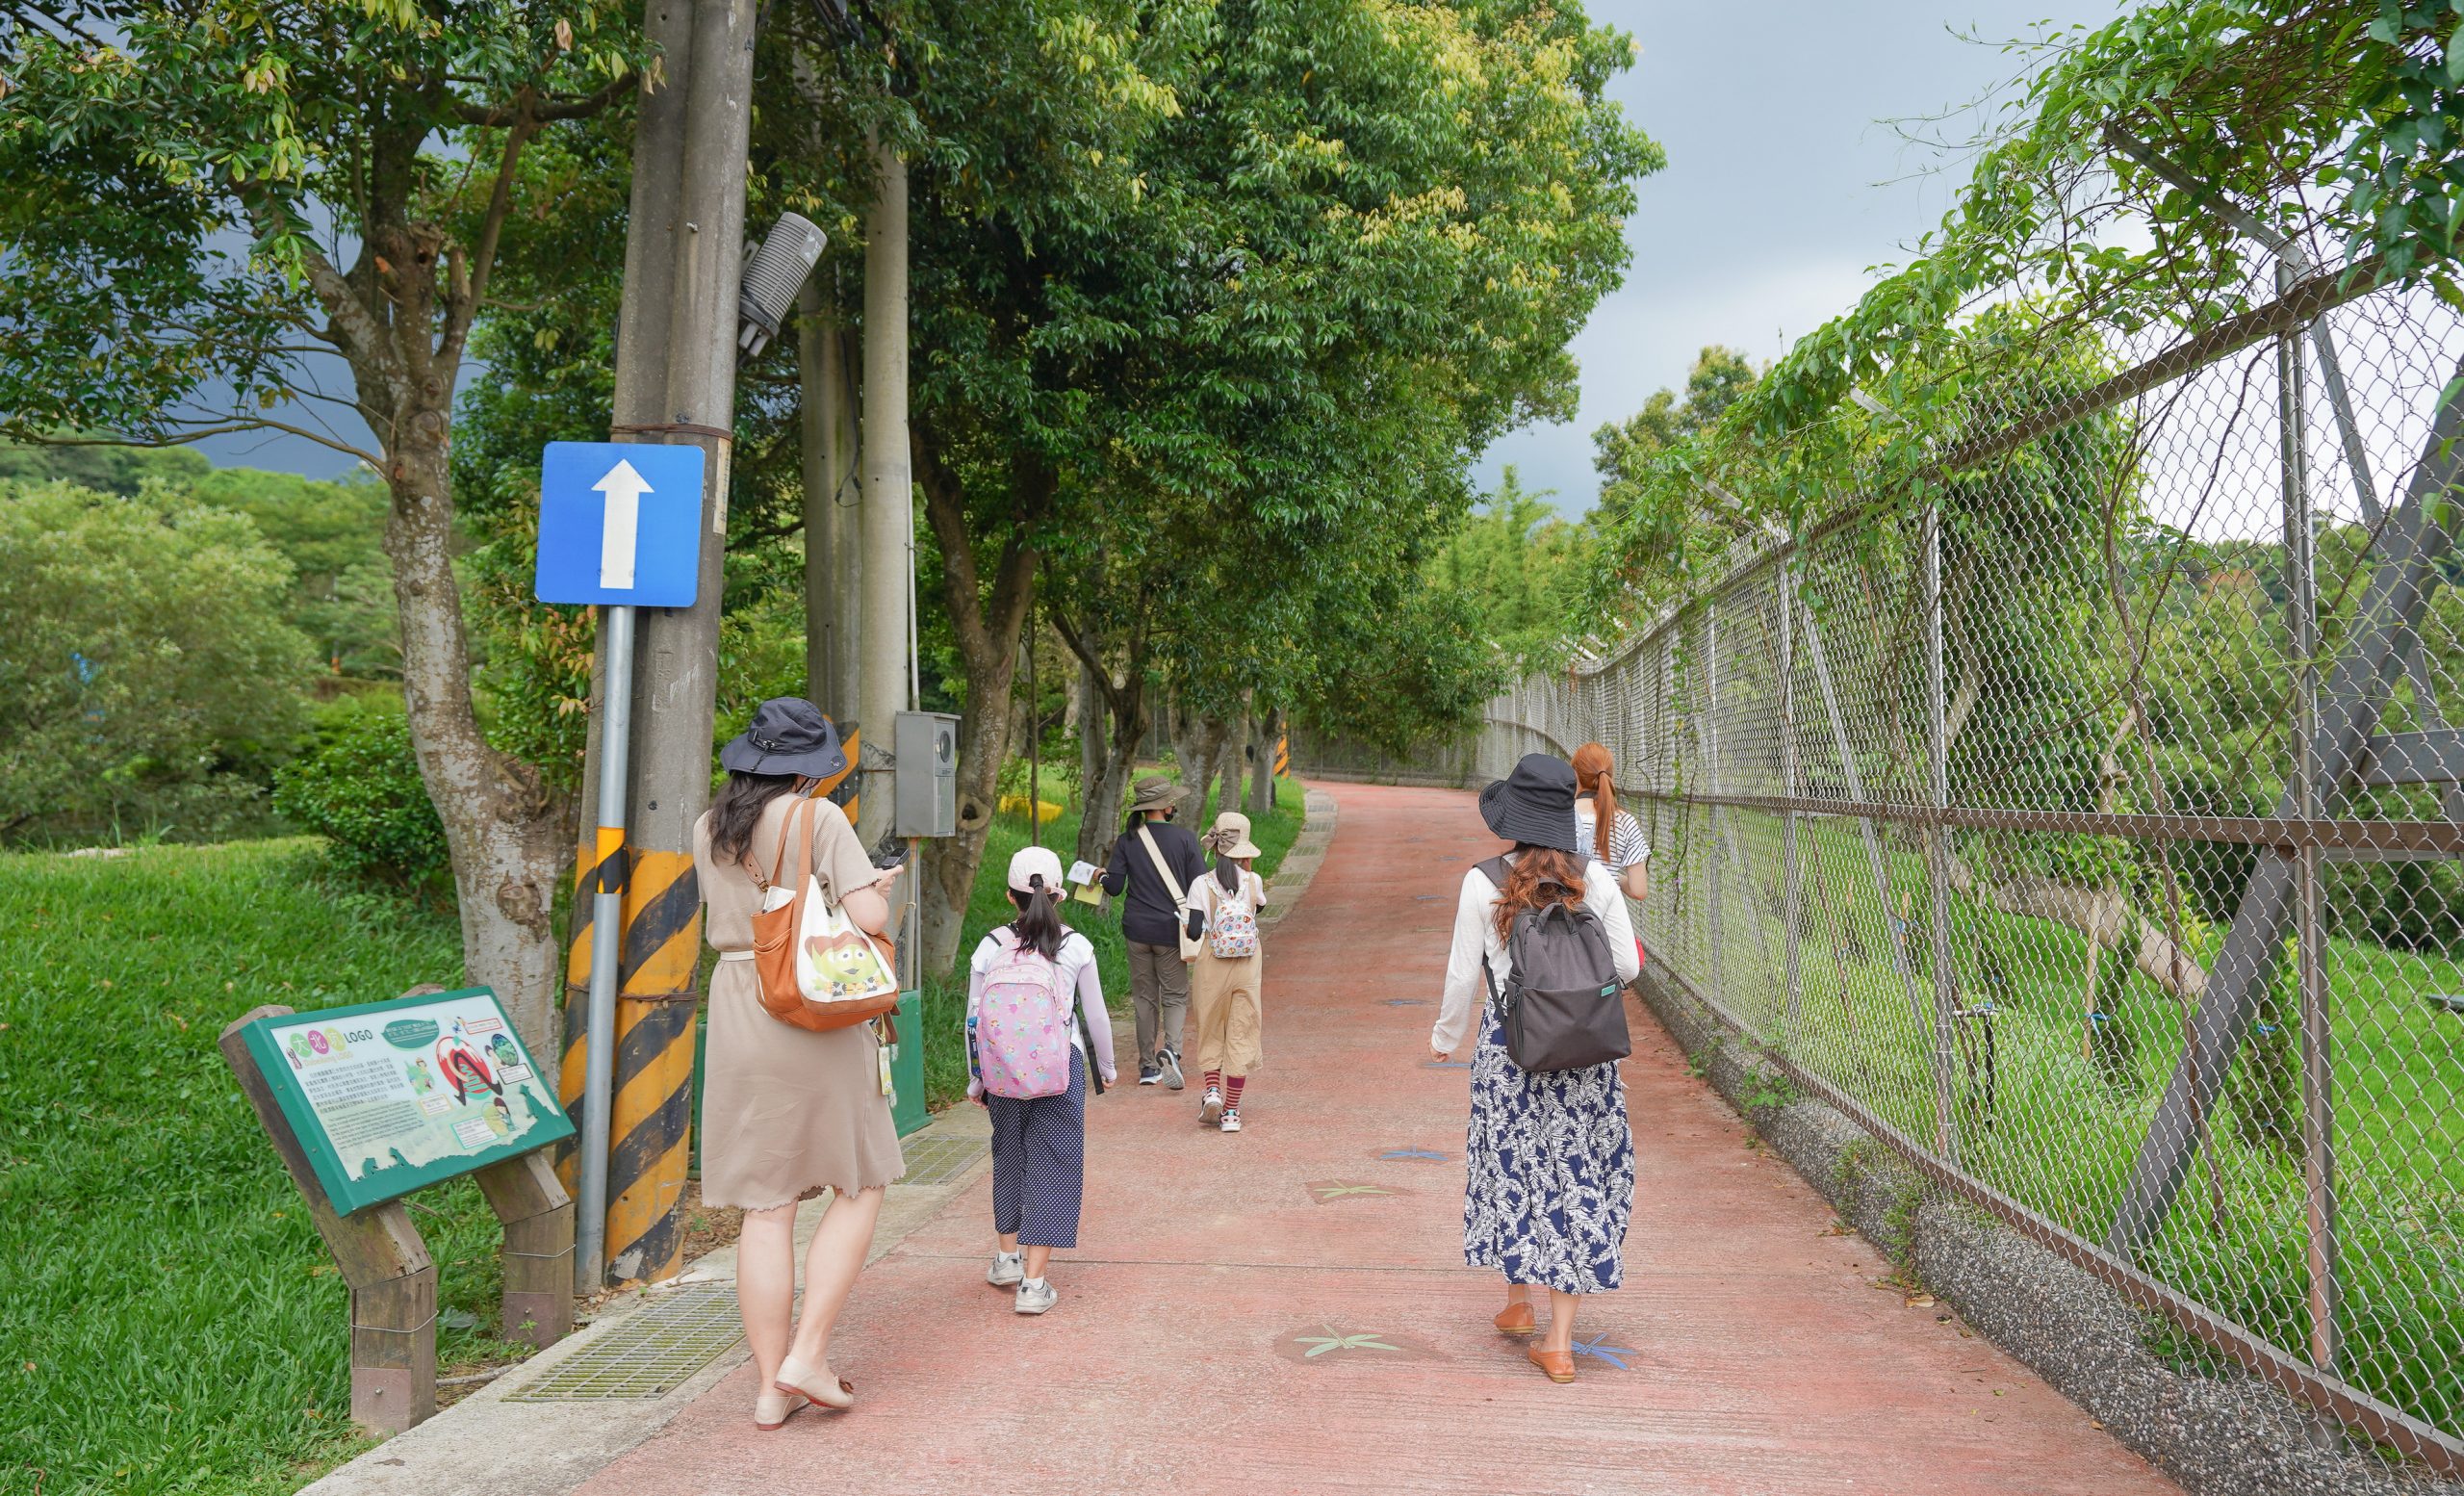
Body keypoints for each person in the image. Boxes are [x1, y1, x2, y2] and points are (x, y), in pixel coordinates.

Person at [692, 698, 903, 1431]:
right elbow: (868, 922)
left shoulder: (708, 828)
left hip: (739, 1004)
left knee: (767, 1203)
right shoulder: (820, 819)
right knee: (863, 1178)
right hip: (811, 1001)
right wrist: (877, 888)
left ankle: (769, 1390)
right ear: (807, 770)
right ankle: (807, 1353)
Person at [1431, 753, 1641, 1384]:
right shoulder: (1593, 878)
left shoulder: (1482, 880)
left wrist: (1445, 1037)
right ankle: (1555, 1336)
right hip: (1582, 1057)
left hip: (1509, 1051)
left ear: (1512, 817)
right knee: (1574, 1178)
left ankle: (1523, 1306)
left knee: (1512, 1167)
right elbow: (1628, 968)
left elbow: (1464, 974)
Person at [968, 845, 1117, 1314]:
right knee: (1053, 1164)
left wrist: (977, 1081)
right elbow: (1095, 1016)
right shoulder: (1075, 946)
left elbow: (973, 1019)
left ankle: (1006, 1258)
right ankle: (1034, 1286)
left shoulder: (991, 946)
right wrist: (1108, 1070)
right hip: (1060, 1068)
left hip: (1002, 1073)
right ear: (1060, 895)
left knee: (1009, 1153)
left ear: (1010, 897)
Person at [1100, 775, 1207, 1088]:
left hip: (1137, 929)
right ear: (1168, 806)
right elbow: (1200, 886)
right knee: (1174, 996)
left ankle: (1148, 1066)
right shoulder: (1185, 840)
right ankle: (1172, 1052)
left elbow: (1116, 887)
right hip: (1171, 931)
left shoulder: (1127, 840)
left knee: (1144, 998)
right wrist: (1197, 925)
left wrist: (1099, 876)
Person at [1182, 810, 1268, 1133]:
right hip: (1247, 964)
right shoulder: (1253, 880)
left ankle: (1212, 1091)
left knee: (1210, 1025)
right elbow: (1258, 907)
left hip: (1212, 962)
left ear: (1215, 846)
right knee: (1242, 1029)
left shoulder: (1200, 884)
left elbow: (1193, 932)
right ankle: (1232, 1112)